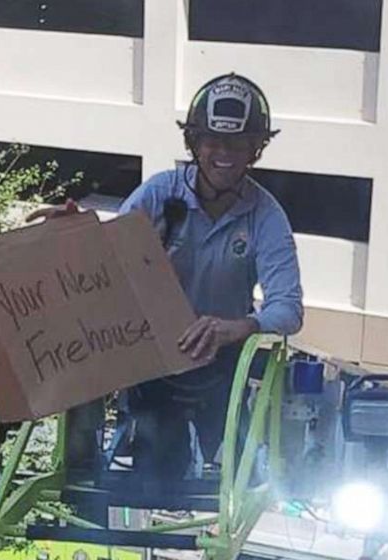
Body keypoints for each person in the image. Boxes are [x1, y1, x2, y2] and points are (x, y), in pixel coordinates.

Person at [30, 73, 303, 481]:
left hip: (221, 363)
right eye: (212, 141)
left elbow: (289, 307)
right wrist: (75, 233)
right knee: (154, 467)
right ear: (194, 143)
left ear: (254, 150)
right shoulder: (160, 194)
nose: (223, 153)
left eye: (237, 143)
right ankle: (80, 473)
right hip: (153, 358)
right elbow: (109, 258)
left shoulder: (266, 215)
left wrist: (239, 327)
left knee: (238, 473)